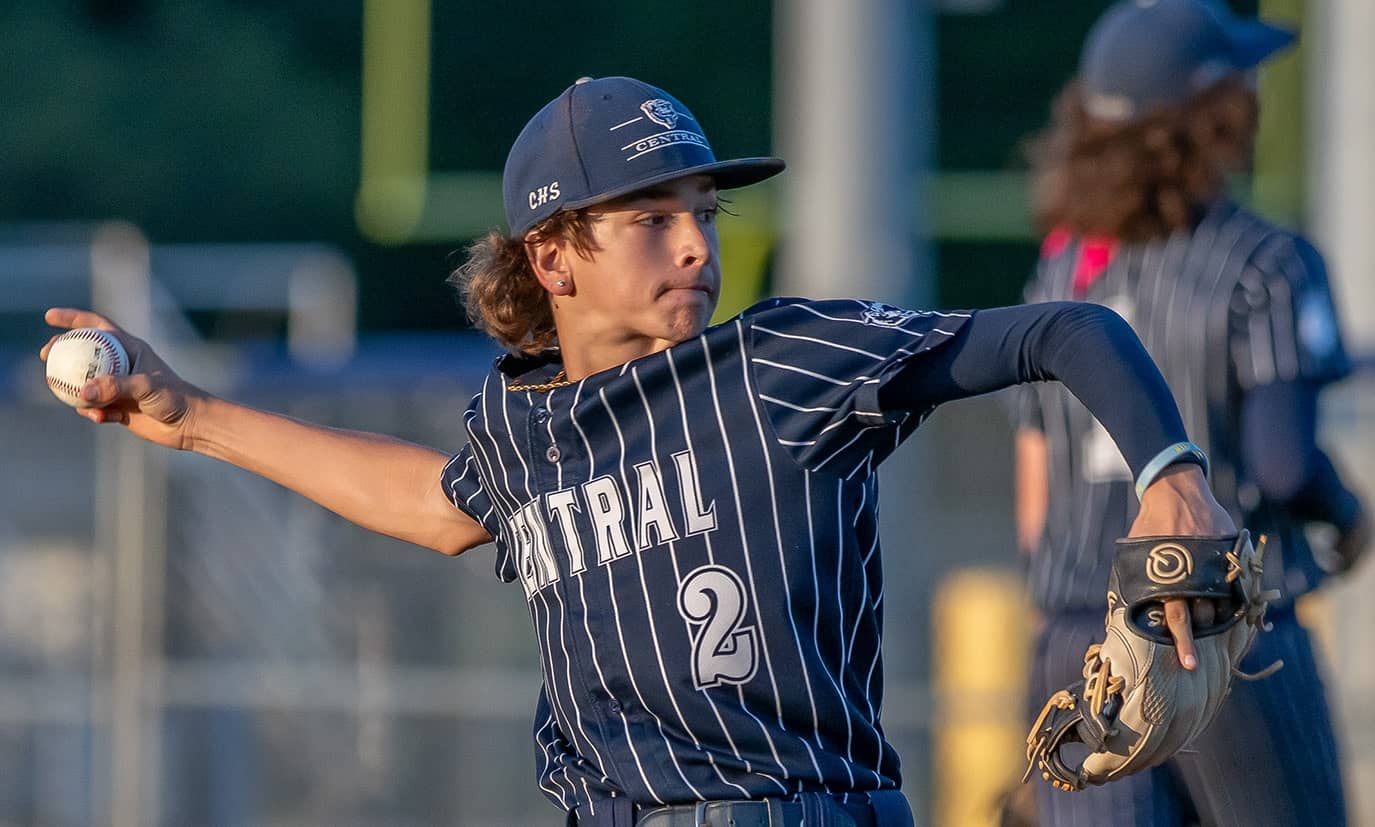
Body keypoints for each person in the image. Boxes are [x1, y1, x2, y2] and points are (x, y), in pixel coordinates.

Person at [48, 75, 1238, 827]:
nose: (692, 245)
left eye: (701, 214)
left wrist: (1168, 473)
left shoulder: (782, 360)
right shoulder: (522, 428)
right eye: (651, 216)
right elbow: (426, 498)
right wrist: (187, 413)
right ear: (552, 257)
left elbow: (1065, 329)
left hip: (799, 807)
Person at [1013, 2, 1371, 826]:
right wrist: (1348, 519)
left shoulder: (1060, 270)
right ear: (1211, 117)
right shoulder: (1266, 264)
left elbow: (1033, 496)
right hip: (1228, 636)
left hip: (1084, 639)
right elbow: (1281, 463)